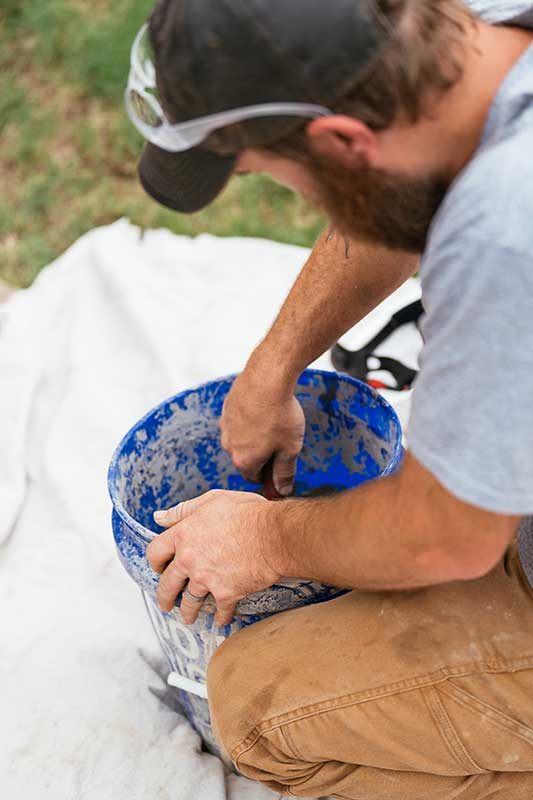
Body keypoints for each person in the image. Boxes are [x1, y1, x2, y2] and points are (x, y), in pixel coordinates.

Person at [127, 1, 533, 797]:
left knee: (255, 709)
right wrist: (270, 371)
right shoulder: (481, 38)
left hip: (485, 538)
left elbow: (446, 539)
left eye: (271, 176)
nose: (308, 206)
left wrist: (267, 539)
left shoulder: (502, 233)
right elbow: (404, 191)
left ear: (345, 144)